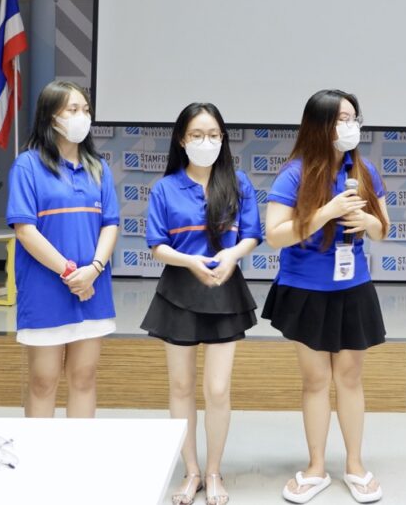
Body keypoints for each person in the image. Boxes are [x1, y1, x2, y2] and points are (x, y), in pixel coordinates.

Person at [262, 89, 389, 504]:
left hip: (353, 287)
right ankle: (316, 466)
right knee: (316, 380)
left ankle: (355, 465)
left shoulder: (365, 171)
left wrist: (367, 220)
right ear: (319, 126)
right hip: (306, 289)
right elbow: (275, 235)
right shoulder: (294, 174)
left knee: (350, 377)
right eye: (340, 119)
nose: (350, 126)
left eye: (354, 118)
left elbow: (383, 229)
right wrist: (327, 212)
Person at [140, 102, 261, 505]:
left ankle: (214, 470)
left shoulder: (238, 182)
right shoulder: (165, 188)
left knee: (218, 389)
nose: (205, 142)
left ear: (223, 138)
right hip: (179, 291)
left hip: (225, 290)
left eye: (213, 135)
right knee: (180, 386)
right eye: (196, 135)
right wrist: (189, 261)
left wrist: (232, 255)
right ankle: (191, 471)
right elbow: (156, 245)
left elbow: (252, 234)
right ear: (182, 139)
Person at [6, 80, 119, 418]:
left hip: (92, 288)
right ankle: (40, 451)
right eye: (72, 109)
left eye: (85, 110)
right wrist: (71, 273)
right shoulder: (27, 165)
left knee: (84, 377)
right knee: (43, 380)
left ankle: (78, 450)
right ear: (51, 116)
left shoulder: (98, 167)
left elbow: (110, 224)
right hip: (46, 288)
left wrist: (93, 270)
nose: (82, 116)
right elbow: (26, 231)